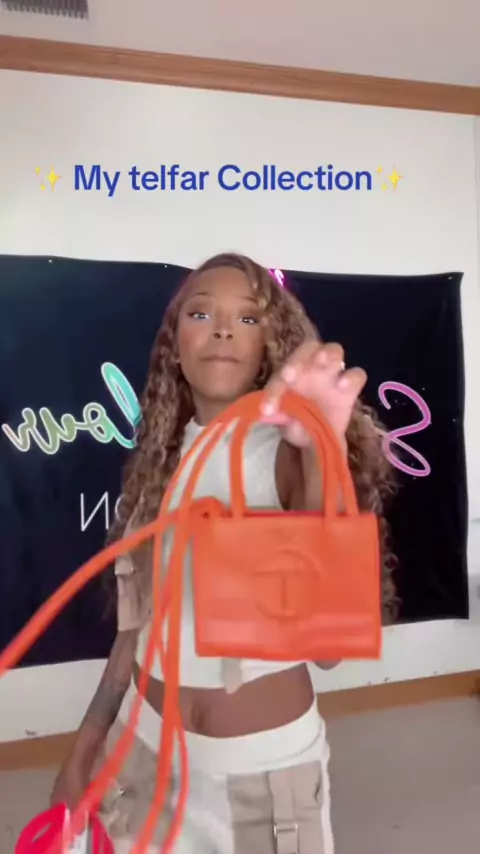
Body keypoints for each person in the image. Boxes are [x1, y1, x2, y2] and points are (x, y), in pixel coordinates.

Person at [51, 253, 397, 853]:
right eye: (201, 313)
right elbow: (137, 629)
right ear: (174, 347)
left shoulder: (287, 454)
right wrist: (84, 749)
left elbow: (329, 652)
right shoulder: (160, 464)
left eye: (248, 318)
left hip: (260, 784)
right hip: (141, 755)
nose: (222, 330)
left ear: (269, 347)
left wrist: (319, 446)